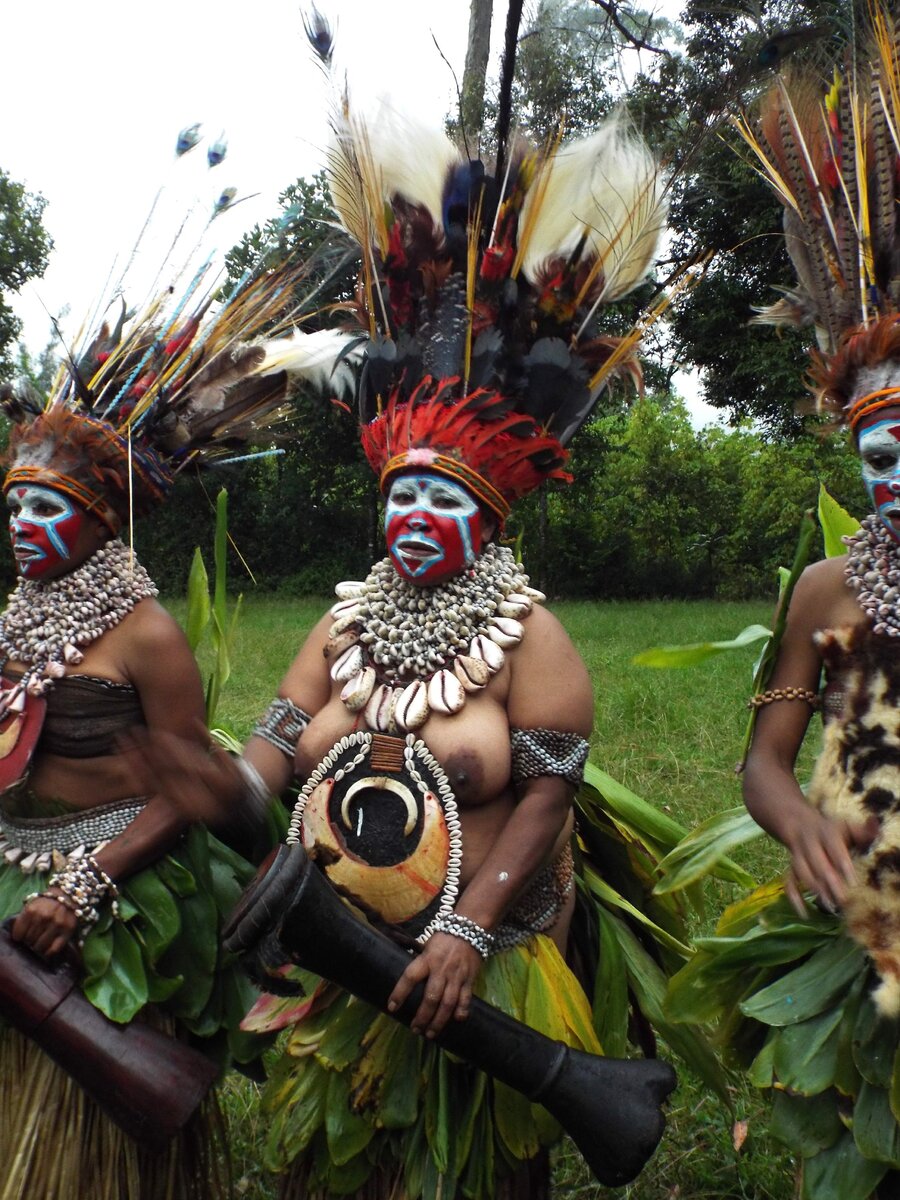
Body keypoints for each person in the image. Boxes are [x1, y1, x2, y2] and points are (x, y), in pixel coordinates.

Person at [131, 82, 673, 1195]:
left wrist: (468, 934)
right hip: (335, 955)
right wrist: (217, 782)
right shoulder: (340, 625)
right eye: (402, 498)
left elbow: (543, 797)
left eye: (446, 502)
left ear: (493, 513)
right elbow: (273, 754)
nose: (417, 518)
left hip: (478, 960)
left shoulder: (532, 639)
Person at [0, 263, 316, 1200]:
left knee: (97, 1123)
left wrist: (91, 883)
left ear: (101, 522)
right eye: (13, 503)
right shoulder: (12, 615)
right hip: (15, 860)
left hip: (120, 878)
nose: (22, 522)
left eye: (48, 507)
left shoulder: (148, 635)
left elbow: (190, 786)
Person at [665, 15, 900, 1197]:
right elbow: (765, 762)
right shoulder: (825, 586)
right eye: (873, 441)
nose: (893, 462)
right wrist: (796, 824)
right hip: (860, 905)